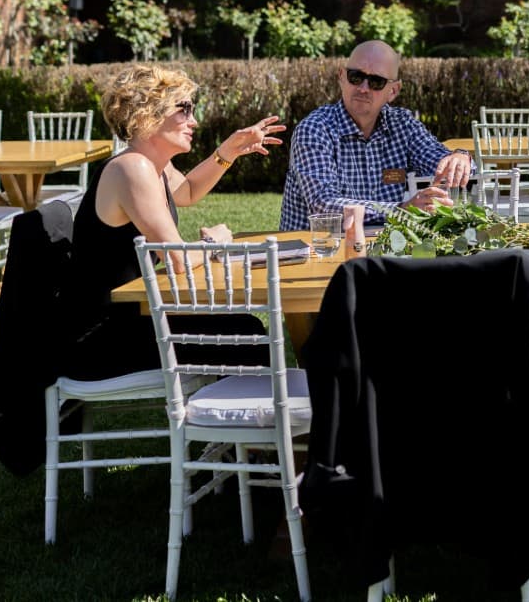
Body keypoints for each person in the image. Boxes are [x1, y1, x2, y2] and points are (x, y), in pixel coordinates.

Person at [67, 65, 284, 379]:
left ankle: (240, 421)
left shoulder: (152, 165)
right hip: (101, 337)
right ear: (147, 114)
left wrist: (228, 152)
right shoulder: (132, 169)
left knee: (241, 325)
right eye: (184, 109)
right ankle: (247, 423)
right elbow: (178, 259)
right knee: (243, 332)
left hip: (131, 314)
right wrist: (216, 244)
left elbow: (188, 190)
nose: (193, 120)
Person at [280, 40, 473, 231]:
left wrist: (459, 157)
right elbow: (323, 204)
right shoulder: (315, 129)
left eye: (376, 82)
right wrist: (401, 210)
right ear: (341, 77)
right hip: (315, 251)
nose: (363, 88)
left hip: (380, 248)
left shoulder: (402, 124)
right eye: (356, 76)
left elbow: (441, 163)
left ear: (393, 91)